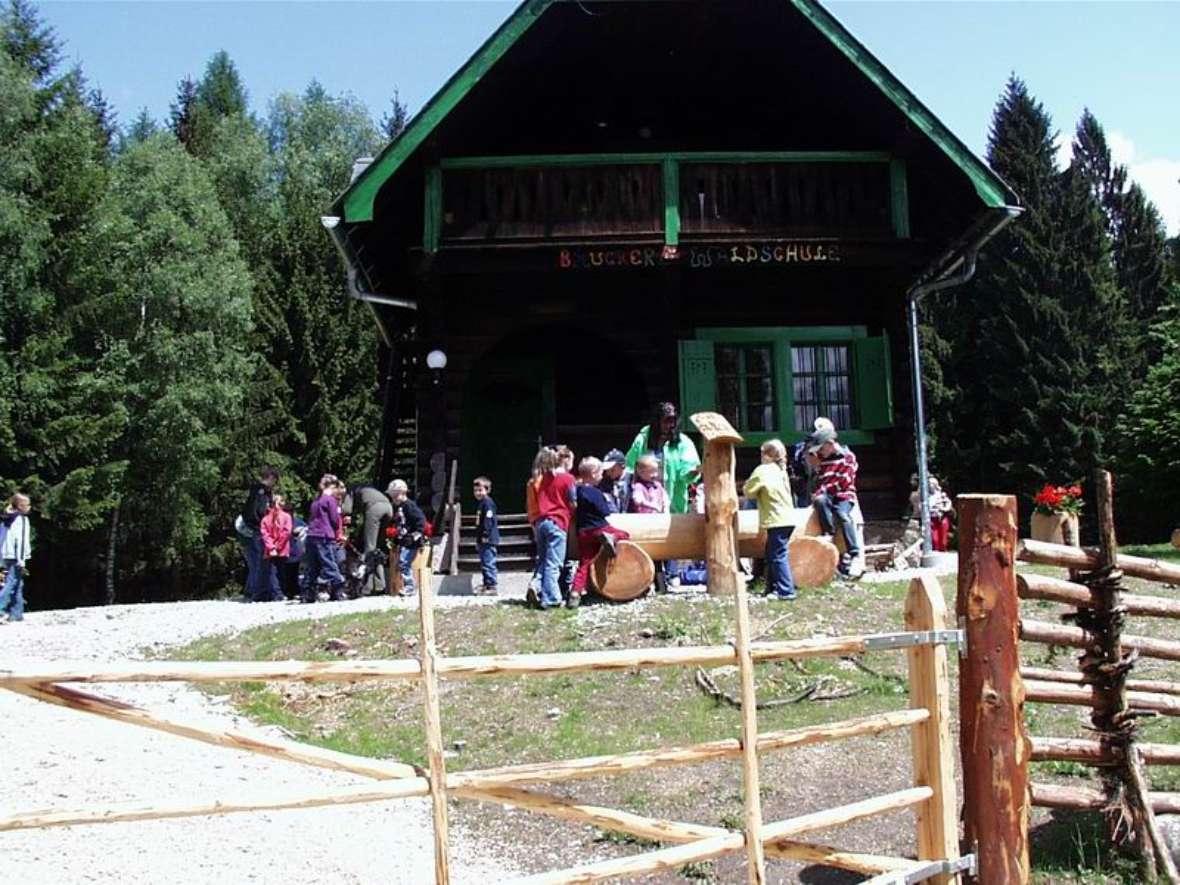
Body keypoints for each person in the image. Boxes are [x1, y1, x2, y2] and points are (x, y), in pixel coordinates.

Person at [571, 457, 631, 607]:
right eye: (599, 473)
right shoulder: (595, 492)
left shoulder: (577, 491)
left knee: (584, 563)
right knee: (625, 535)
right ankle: (611, 539)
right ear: (592, 474)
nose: (602, 476)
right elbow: (605, 512)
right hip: (599, 528)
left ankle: (575, 593)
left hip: (583, 531)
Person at [742, 440, 797, 600]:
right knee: (771, 554)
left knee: (778, 555)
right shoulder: (781, 470)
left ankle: (786, 591)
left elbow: (749, 491)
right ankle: (772, 588)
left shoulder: (763, 470)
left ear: (767, 456)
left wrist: (748, 486)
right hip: (788, 518)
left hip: (776, 519)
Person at [624, 402, 700, 515]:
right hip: (644, 506)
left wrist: (693, 472)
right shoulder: (642, 440)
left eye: (674, 420)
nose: (671, 425)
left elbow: (688, 472)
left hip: (672, 506)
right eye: (667, 420)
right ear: (657, 421)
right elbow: (629, 467)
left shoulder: (683, 442)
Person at [808, 431, 863, 578]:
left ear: (830, 444)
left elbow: (843, 481)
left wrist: (823, 490)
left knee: (842, 515)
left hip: (843, 494)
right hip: (827, 495)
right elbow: (821, 479)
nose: (820, 451)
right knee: (820, 501)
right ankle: (829, 533)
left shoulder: (847, 457)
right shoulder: (822, 459)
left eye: (821, 448)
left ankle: (854, 553)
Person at [530, 447, 576, 610]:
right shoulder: (568, 478)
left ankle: (536, 586)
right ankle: (551, 598)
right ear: (567, 460)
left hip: (541, 521)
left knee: (543, 560)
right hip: (557, 522)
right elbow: (573, 501)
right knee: (554, 563)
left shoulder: (542, 478)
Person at [341, 483, 395, 594]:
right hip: (389, 508)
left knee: (369, 549)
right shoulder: (368, 488)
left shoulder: (350, 490)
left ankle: (368, 586)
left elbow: (347, 509)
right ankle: (379, 584)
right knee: (377, 550)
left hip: (375, 509)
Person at [236, 466, 279, 601]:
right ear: (271, 478)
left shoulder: (254, 491)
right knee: (262, 563)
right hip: (258, 530)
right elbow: (260, 511)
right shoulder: (262, 493)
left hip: (250, 530)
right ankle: (261, 592)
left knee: (256, 563)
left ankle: (252, 591)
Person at [303, 476, 347, 603]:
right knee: (329, 564)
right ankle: (339, 588)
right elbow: (334, 519)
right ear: (332, 487)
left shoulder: (316, 501)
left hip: (311, 535)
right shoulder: (330, 500)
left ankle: (308, 594)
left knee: (313, 566)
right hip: (324, 536)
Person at [386, 479, 427, 596]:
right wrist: (396, 538)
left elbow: (421, 521)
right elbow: (400, 524)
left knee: (404, 562)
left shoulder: (410, 506)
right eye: (392, 496)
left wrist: (416, 535)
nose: (393, 499)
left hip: (412, 541)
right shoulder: (399, 507)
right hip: (404, 540)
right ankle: (409, 586)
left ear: (403, 493)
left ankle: (410, 586)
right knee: (402, 563)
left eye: (395, 496)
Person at [0, 493, 33, 623]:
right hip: (15, 555)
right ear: (20, 506)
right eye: (27, 505)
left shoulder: (7, 518)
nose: (30, 507)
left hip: (5, 553)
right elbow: (20, 541)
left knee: (18, 583)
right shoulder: (22, 520)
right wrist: (21, 560)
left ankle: (16, 613)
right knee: (12, 582)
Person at [257, 493, 293, 602]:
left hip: (274, 549)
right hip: (279, 549)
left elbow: (285, 533)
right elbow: (285, 533)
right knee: (277, 572)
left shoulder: (267, 519)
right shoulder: (272, 518)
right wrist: (275, 547)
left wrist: (272, 547)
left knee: (275, 572)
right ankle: (278, 593)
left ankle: (279, 593)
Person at [911, 475, 955, 552]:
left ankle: (943, 552)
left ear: (935, 485)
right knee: (934, 539)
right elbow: (920, 507)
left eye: (931, 484)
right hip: (931, 519)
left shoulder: (941, 494)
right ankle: (936, 551)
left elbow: (948, 503)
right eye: (928, 484)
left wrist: (943, 509)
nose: (930, 485)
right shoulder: (925, 496)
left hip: (941, 518)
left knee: (943, 539)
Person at [473, 476, 500, 596]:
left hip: (488, 538)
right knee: (484, 562)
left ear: (487, 490)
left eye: (480, 490)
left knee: (489, 562)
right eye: (476, 490)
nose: (478, 493)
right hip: (482, 539)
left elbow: (488, 521)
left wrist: (485, 535)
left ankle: (492, 585)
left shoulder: (488, 503)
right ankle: (486, 584)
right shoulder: (481, 504)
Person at [598, 448, 633, 515]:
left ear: (622, 466)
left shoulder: (633, 480)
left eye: (612, 470)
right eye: (607, 470)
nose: (608, 473)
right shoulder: (604, 483)